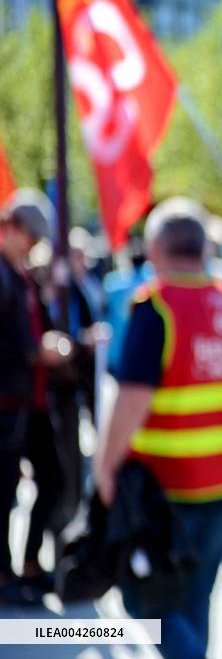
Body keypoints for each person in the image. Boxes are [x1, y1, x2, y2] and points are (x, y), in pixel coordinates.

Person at [94, 196, 222, 659]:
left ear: (155, 248)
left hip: (164, 484)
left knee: (144, 599)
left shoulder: (156, 306)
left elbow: (133, 397)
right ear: (204, 247)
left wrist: (105, 467)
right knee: (198, 596)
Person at [0, 189, 72, 604]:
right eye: (30, 236)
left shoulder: (22, 274)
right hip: (9, 401)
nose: (33, 246)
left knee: (53, 478)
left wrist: (57, 344)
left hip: (32, 399)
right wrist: (34, 352)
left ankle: (28, 563)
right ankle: (6, 572)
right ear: (11, 226)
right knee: (5, 490)